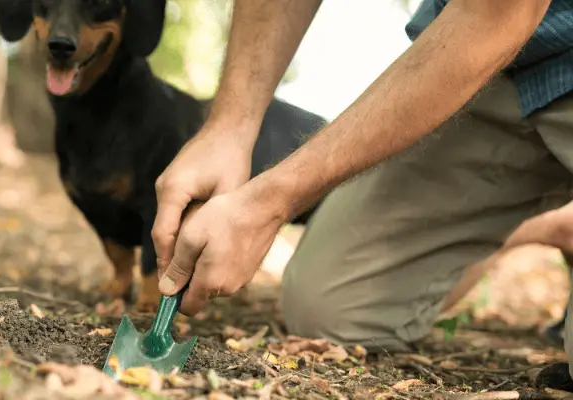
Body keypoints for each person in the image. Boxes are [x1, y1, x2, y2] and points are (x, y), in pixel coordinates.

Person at [151, 0, 573, 375]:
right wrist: (230, 126)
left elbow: (497, 14)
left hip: (500, 29)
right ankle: (548, 223)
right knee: (331, 311)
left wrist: (271, 201)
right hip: (491, 67)